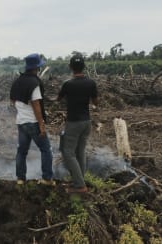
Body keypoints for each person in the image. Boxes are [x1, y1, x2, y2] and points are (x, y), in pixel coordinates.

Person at [10, 53, 55, 186]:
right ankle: (47, 178)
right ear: (37, 68)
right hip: (33, 122)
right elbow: (36, 105)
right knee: (46, 149)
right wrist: (41, 124)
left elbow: (13, 99)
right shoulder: (34, 83)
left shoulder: (18, 81)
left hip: (21, 122)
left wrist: (21, 109)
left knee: (22, 152)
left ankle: (20, 179)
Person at [57, 54, 98, 193]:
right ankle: (79, 180)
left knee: (68, 152)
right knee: (80, 151)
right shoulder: (91, 83)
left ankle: (80, 186)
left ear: (70, 67)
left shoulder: (68, 84)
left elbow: (59, 98)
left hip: (73, 122)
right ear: (84, 67)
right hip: (87, 121)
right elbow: (95, 102)